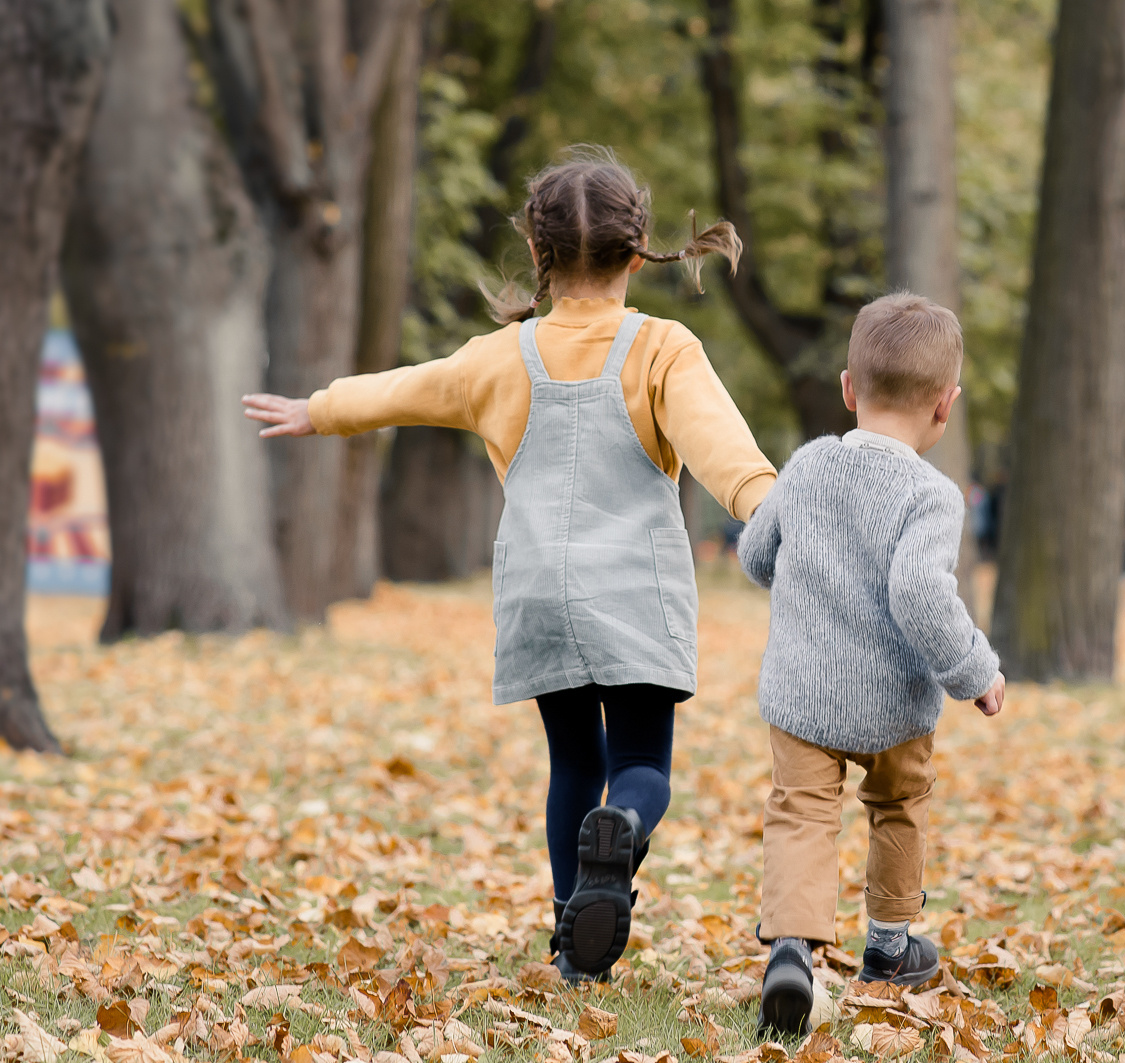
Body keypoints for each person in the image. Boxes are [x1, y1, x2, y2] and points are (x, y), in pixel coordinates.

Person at [241, 148, 775, 982]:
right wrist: (771, 508)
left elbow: (404, 388)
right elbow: (722, 451)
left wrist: (320, 408)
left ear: (536, 252)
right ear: (638, 255)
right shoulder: (663, 349)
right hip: (636, 595)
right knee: (638, 766)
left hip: (538, 595)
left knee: (575, 763)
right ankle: (624, 833)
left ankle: (574, 947)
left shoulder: (497, 358)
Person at [737, 293, 1006, 1035]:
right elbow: (920, 592)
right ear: (945, 405)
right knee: (899, 807)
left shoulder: (807, 465)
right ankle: (889, 946)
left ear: (848, 388)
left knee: (802, 812)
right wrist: (976, 671)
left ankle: (792, 947)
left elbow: (756, 555)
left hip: (803, 696)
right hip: (894, 706)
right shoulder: (933, 495)